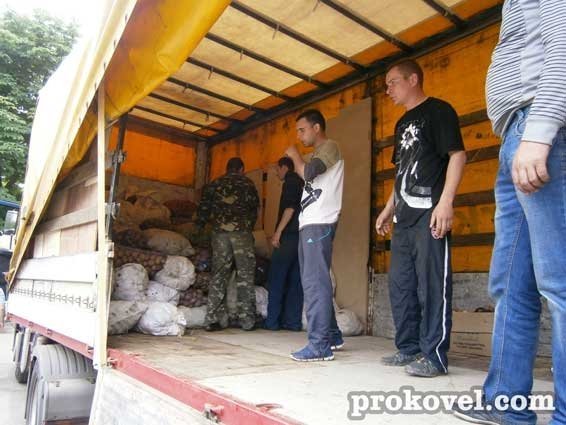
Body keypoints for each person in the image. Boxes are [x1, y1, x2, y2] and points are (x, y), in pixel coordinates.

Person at [454, 1, 566, 424]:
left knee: (559, 284)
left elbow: (563, 42)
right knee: (510, 283)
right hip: (517, 132)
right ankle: (505, 404)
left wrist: (540, 131)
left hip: (541, 128)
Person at [375, 59, 466, 377]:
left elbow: (458, 155)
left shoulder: (439, 111)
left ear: (413, 79)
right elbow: (402, 172)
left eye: (393, 82)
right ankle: (409, 348)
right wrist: (388, 209)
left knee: (432, 285)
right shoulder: (401, 124)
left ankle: (434, 356)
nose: (388, 90)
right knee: (401, 285)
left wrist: (446, 203)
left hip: (430, 213)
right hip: (403, 219)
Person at [285, 108, 344, 362]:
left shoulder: (330, 146)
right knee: (315, 279)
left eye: (302, 130)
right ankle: (332, 335)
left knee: (314, 282)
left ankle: (320, 345)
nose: (299, 136)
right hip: (310, 222)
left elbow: (309, 173)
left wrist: (295, 156)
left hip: (320, 223)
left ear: (316, 127)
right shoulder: (318, 153)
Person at [195, 157, 260, 332]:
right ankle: (247, 320)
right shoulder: (247, 184)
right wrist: (247, 226)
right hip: (242, 234)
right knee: (245, 275)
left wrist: (201, 227)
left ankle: (212, 319)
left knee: (219, 274)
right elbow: (254, 209)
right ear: (241, 169)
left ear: (227, 168)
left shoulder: (215, 184)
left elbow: (203, 210)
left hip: (219, 234)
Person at [264, 157, 304, 331]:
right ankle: (293, 322)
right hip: (301, 238)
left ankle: (272, 322)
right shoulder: (302, 182)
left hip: (288, 237)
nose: (276, 173)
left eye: (277, 169)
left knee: (277, 278)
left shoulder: (291, 181)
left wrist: (278, 232)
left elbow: (290, 208)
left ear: (284, 167)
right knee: (295, 280)